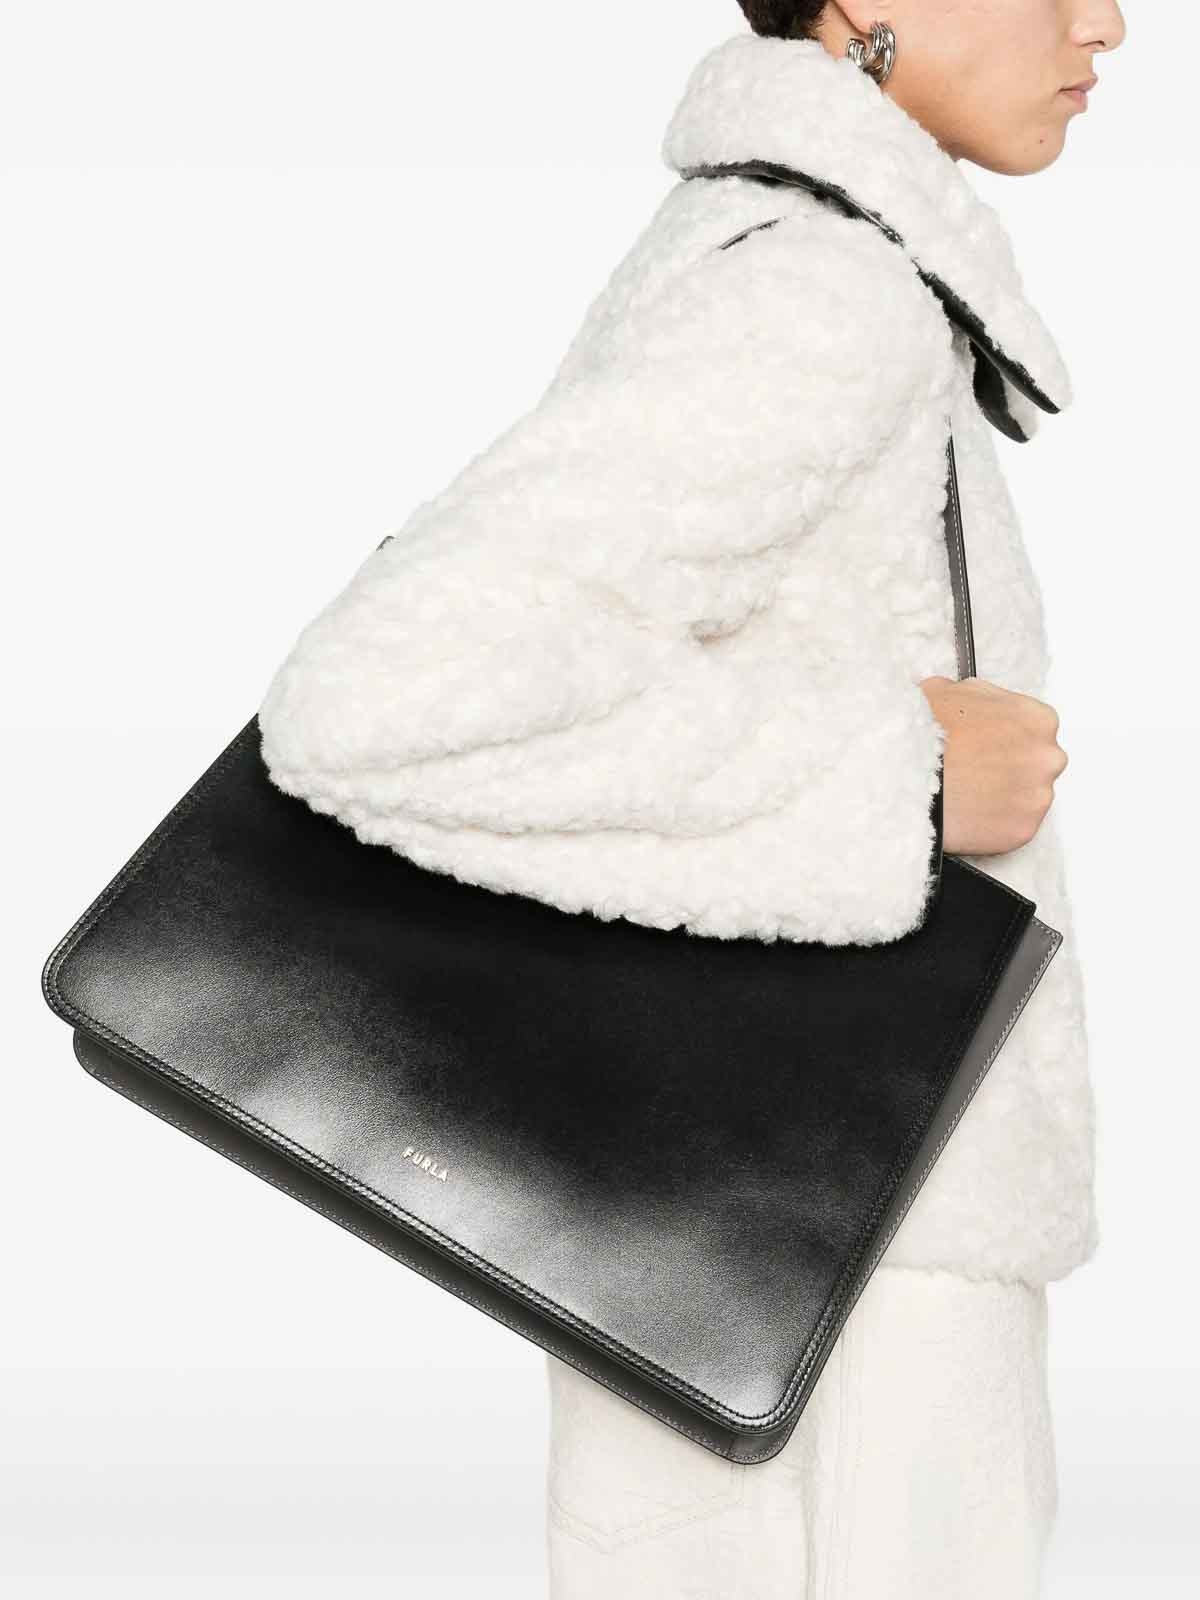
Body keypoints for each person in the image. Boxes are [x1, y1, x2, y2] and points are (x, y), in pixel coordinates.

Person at [256, 2, 1127, 1594]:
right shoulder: (819, 290)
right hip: (835, 1232)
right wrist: (903, 774)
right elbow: (382, 695)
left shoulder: (798, 254)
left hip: (752, 1209)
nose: (1107, 23)